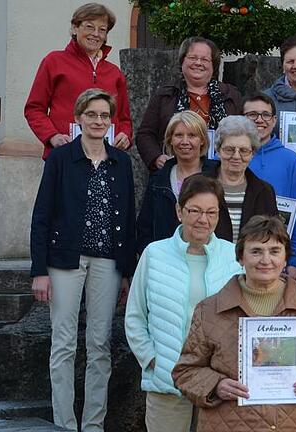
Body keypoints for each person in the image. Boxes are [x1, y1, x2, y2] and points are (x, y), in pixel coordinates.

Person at [171, 216, 296, 432]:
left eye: (274, 251)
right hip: (229, 423)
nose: (266, 260)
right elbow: (185, 371)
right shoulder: (209, 310)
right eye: (256, 251)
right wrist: (215, 385)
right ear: (241, 257)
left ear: (285, 258)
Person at [30, 89, 135, 431]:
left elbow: (129, 218)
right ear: (78, 117)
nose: (99, 121)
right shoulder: (61, 158)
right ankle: (64, 423)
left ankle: (92, 424)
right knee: (63, 343)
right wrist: (39, 271)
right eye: (92, 114)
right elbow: (42, 215)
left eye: (105, 116)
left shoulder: (121, 163)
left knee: (100, 344)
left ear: (111, 120)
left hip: (108, 260)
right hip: (65, 261)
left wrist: (126, 271)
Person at [126, 174, 242, 432]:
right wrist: (153, 359)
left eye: (211, 212)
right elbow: (135, 316)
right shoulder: (154, 254)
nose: (204, 219)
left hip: (216, 385)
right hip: (167, 382)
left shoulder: (231, 256)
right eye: (195, 210)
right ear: (180, 211)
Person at [25, 3, 132, 159]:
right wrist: (52, 136)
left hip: (107, 157)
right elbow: (34, 109)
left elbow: (124, 118)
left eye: (102, 30)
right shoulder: (54, 61)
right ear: (75, 28)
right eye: (89, 27)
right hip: (65, 156)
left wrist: (125, 135)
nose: (96, 34)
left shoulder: (115, 73)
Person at [136, 36, 242, 170]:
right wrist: (156, 158)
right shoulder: (165, 95)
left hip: (221, 173)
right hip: (174, 171)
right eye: (192, 58)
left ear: (213, 65)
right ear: (182, 62)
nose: (198, 63)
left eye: (205, 59)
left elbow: (243, 135)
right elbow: (145, 134)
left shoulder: (230, 95)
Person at [243, 93, 296, 282]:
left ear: (274, 121)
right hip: (234, 254)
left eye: (265, 115)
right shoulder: (227, 157)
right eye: (252, 115)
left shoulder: (290, 160)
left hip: (276, 260)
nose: (260, 120)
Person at [136, 110, 216, 254]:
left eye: (192, 135)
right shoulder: (158, 179)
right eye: (179, 135)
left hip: (207, 256)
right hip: (165, 260)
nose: (185, 141)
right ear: (170, 140)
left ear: (202, 139)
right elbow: (145, 226)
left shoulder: (216, 176)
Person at [209, 115, 278, 242]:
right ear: (218, 151)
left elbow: (272, 237)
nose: (236, 156)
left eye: (244, 150)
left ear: (252, 153)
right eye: (229, 149)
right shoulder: (198, 186)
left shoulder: (265, 192)